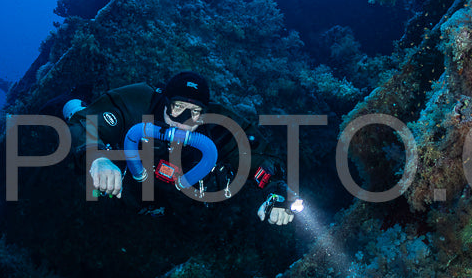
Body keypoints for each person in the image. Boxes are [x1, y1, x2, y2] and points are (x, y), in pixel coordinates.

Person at [63, 71, 299, 225]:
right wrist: (97, 158)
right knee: (74, 118)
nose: (183, 121)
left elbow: (259, 157)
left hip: (177, 209)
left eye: (194, 112)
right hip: (123, 189)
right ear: (164, 102)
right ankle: (71, 100)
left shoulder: (219, 124)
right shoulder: (138, 102)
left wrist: (277, 191)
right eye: (177, 108)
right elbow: (88, 123)